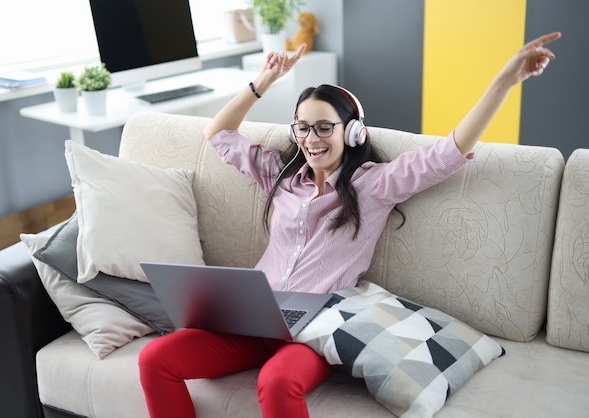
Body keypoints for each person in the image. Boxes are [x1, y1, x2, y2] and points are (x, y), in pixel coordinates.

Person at [138, 32, 561, 418]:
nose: (311, 138)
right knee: (156, 358)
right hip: (254, 318)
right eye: (303, 127)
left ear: (354, 132)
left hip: (317, 328)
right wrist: (264, 81)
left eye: (324, 127)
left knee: (278, 381)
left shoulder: (373, 185)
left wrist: (504, 81)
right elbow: (218, 134)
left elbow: (448, 152)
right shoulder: (281, 176)